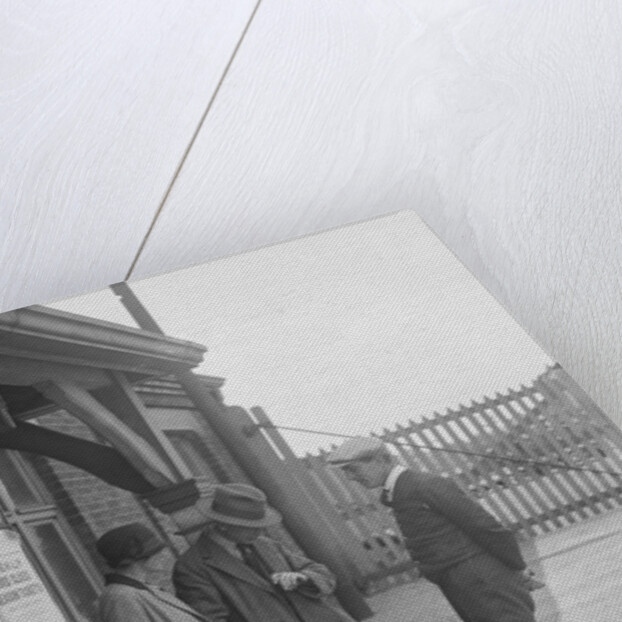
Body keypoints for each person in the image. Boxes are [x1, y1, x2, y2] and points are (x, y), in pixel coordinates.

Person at [327, 437, 538, 622]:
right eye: (346, 472)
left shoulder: (424, 485)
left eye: (353, 469)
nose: (351, 478)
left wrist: (516, 566)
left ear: (382, 459)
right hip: (461, 580)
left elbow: (483, 526)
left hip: (480, 576)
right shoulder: (399, 491)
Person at [172, 483, 355, 622]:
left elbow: (321, 571)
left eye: (261, 525)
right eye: (250, 527)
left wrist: (304, 577)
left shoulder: (265, 544)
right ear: (222, 524)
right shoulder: (191, 567)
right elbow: (209, 619)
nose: (259, 532)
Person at [96, 522, 210, 622]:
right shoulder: (120, 597)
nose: (163, 556)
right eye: (156, 552)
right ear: (137, 558)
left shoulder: (141, 589)